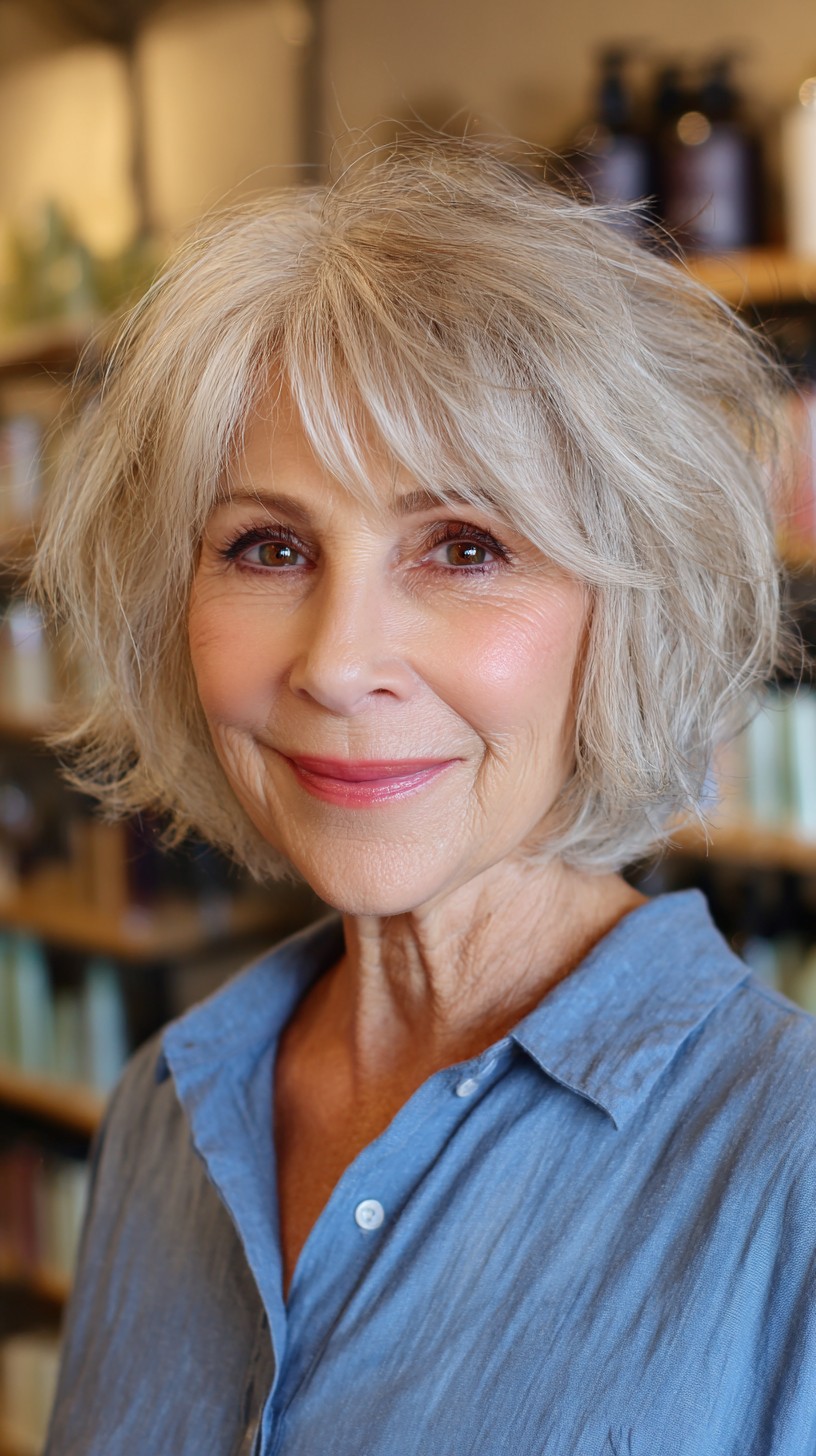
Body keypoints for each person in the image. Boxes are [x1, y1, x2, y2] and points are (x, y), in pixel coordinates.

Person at [36, 139, 815, 1456]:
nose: (338, 663)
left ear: (629, 612)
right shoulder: (164, 1111)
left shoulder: (785, 1170)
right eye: (267, 547)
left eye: (465, 547)